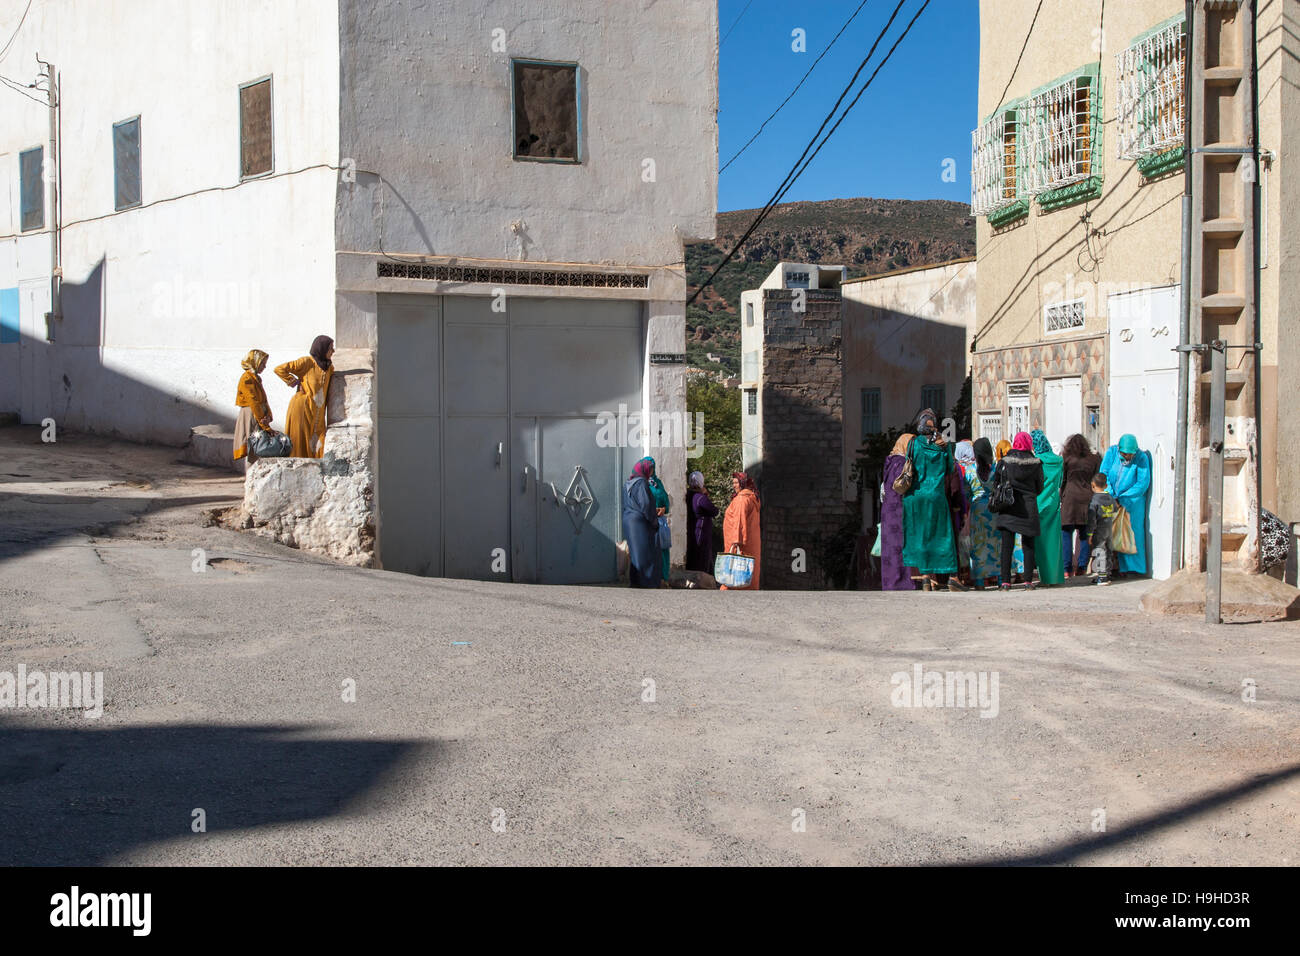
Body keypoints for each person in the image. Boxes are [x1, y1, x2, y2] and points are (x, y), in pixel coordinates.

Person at [901, 408, 958, 590]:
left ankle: (925, 577)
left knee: (921, 536)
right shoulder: (944, 444)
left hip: (915, 496)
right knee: (943, 536)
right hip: (936, 495)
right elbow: (950, 469)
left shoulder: (913, 443)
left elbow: (909, 464)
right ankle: (952, 576)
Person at [991, 431, 1043, 590]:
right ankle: (1028, 581)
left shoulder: (1004, 462)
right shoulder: (1036, 463)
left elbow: (996, 484)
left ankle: (1006, 582)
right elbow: (1039, 487)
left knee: (1007, 546)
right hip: (1029, 507)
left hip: (1009, 506)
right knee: (1028, 545)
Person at [1100, 434, 1153, 577]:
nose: (1128, 457)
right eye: (1124, 454)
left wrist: (1123, 497)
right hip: (1112, 500)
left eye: (1130, 454)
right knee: (1114, 534)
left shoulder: (1141, 458)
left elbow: (1142, 483)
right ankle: (1118, 568)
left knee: (1133, 534)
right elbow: (1104, 474)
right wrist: (1111, 494)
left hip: (1132, 503)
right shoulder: (1112, 453)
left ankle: (1135, 569)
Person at [275, 335, 335, 458]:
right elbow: (279, 369)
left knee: (319, 444)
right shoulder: (307, 362)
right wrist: (294, 382)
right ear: (322, 349)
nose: (333, 351)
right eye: (330, 348)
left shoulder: (329, 368)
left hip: (317, 413)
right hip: (302, 408)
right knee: (300, 443)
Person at [1060, 434, 1102, 577]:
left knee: (1066, 533)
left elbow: (1063, 480)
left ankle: (1067, 569)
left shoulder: (1066, 459)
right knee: (1085, 534)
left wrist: (1061, 496)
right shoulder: (1094, 459)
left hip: (1070, 499)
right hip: (1087, 498)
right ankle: (1082, 567)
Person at [879, 433, 917, 591]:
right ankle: (904, 582)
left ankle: (890, 582)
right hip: (900, 510)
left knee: (890, 548)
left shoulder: (890, 461)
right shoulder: (903, 463)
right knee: (902, 546)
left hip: (888, 510)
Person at [966, 437, 1000, 587]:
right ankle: (1000, 578)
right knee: (997, 544)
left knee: (979, 545)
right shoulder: (996, 469)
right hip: (995, 509)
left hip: (978, 510)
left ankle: (979, 580)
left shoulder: (970, 470)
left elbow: (966, 493)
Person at [1032, 429, 1065, 586]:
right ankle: (1055, 577)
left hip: (1039, 503)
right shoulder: (1059, 461)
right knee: (1054, 541)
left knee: (1040, 543)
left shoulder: (1036, 461)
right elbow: (1060, 482)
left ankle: (1044, 577)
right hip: (1053, 502)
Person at [622, 457, 661, 588]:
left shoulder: (628, 483)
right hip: (639, 522)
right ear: (645, 469)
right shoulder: (641, 483)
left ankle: (636, 582)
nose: (652, 472)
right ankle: (647, 583)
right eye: (651, 470)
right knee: (645, 553)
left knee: (635, 554)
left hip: (628, 520)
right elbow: (645, 504)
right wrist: (654, 521)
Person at [722, 471, 761, 590]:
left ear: (743, 483)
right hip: (751, 542)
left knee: (735, 572)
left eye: (736, 483)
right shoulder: (751, 497)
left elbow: (739, 521)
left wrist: (735, 541)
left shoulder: (742, 500)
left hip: (740, 543)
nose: (734, 485)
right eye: (733, 483)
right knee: (749, 571)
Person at [233, 349, 273, 463]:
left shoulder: (256, 378)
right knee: (254, 447)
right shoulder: (247, 378)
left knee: (259, 446)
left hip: (258, 414)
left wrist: (268, 415)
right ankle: (251, 472)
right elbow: (253, 401)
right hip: (252, 415)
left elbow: (263, 400)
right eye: (262, 363)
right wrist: (263, 421)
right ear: (255, 362)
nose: (264, 367)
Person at [1086, 473, 1118, 586]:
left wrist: (1089, 534)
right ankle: (1107, 574)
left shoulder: (1094, 500)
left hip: (1098, 530)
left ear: (1093, 485)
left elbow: (1092, 519)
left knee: (1099, 551)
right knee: (1108, 551)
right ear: (1106, 486)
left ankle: (1102, 577)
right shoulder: (1110, 498)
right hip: (1109, 528)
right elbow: (1115, 509)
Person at [685, 471, 718, 575]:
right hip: (701, 534)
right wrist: (705, 495)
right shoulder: (700, 498)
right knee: (701, 562)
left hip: (691, 532)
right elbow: (714, 511)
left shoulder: (688, 495)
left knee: (692, 559)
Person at [648, 470, 671, 582]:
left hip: (660, 523)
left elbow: (665, 501)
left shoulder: (658, 483)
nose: (650, 470)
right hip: (647, 523)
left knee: (662, 549)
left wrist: (663, 509)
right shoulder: (640, 483)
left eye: (652, 467)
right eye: (648, 467)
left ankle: (663, 578)